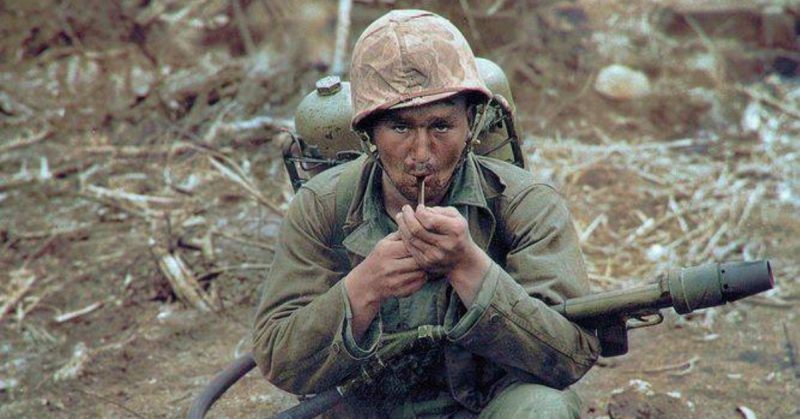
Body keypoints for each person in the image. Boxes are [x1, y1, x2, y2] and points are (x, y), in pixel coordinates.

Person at [252, 9, 600, 419]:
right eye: (400, 128)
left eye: (441, 126)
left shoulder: (524, 203)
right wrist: (364, 287)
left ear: (470, 123)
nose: (421, 154)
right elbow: (281, 361)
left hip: (487, 407)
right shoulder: (322, 206)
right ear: (368, 135)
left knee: (545, 410)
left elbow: (569, 355)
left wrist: (470, 268)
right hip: (368, 412)